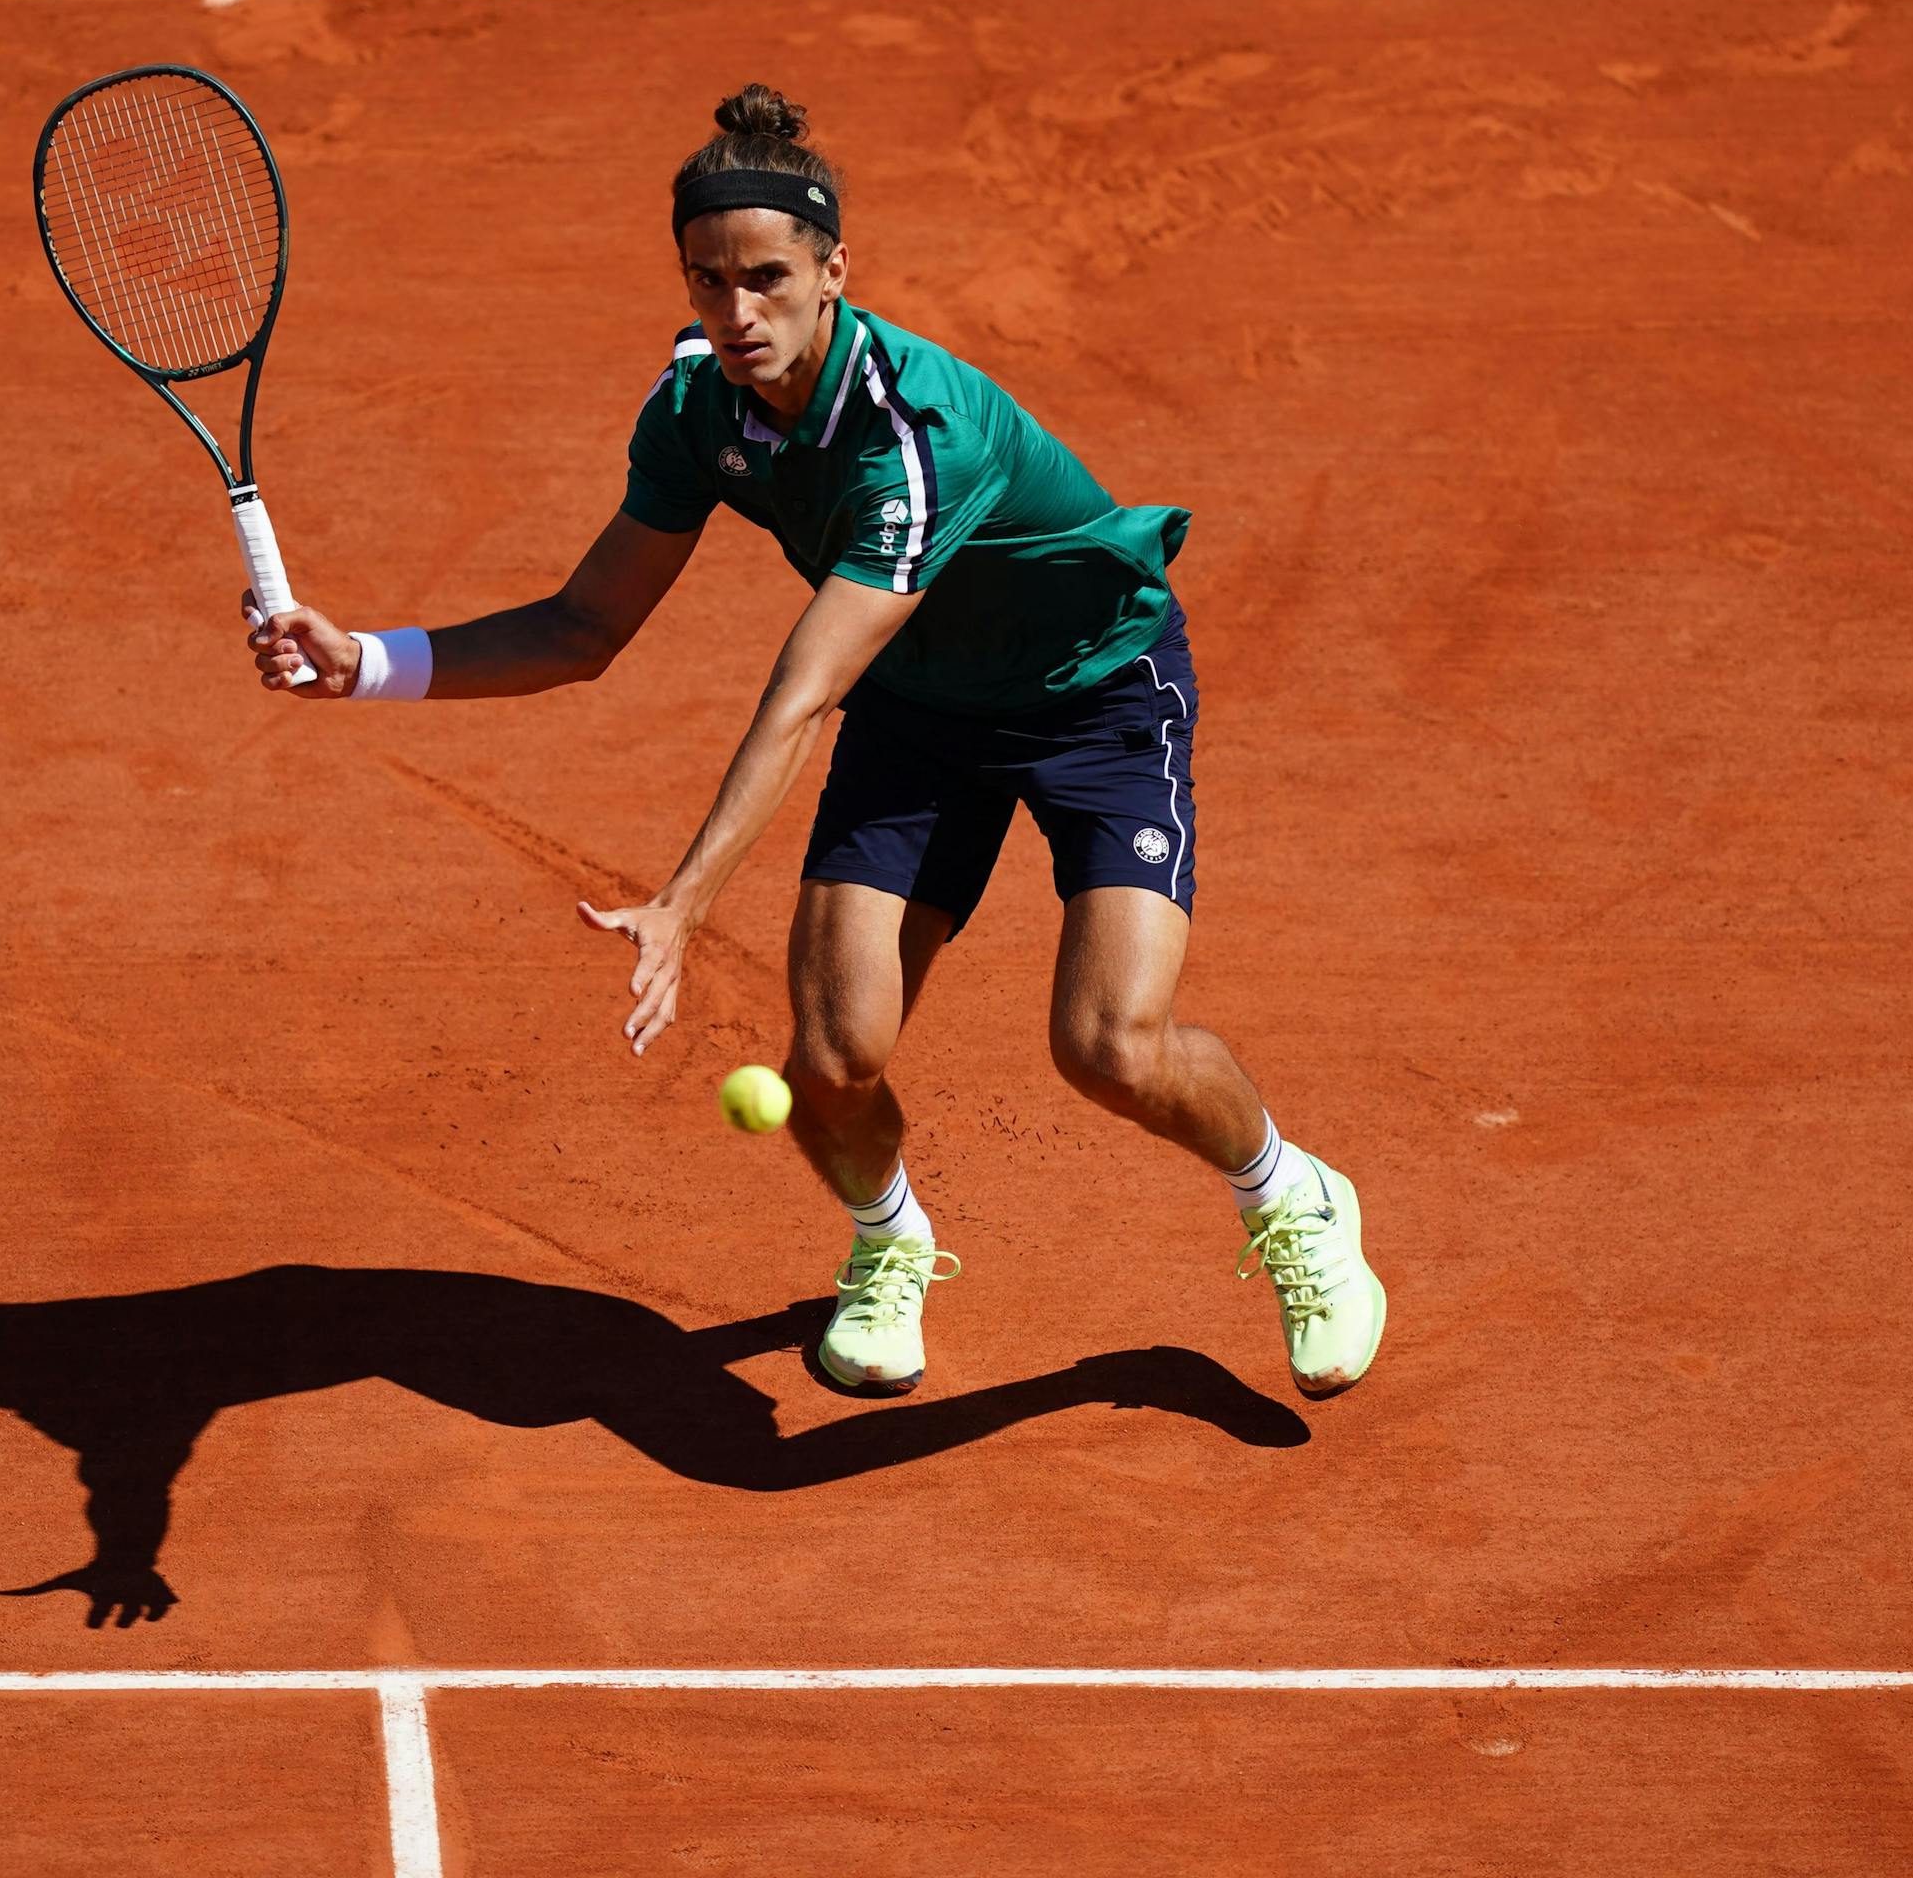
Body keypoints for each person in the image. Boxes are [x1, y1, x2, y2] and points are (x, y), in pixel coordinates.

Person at [244, 84, 1387, 1403]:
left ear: (837, 272)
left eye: (771, 279)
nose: (739, 315)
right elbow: (582, 625)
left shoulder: (913, 438)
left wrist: (683, 903)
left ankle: (1291, 1198)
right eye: (710, 281)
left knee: (1110, 1045)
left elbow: (799, 695)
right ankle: (890, 1245)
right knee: (832, 1062)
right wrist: (370, 665)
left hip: (1095, 695)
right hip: (922, 713)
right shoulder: (694, 411)